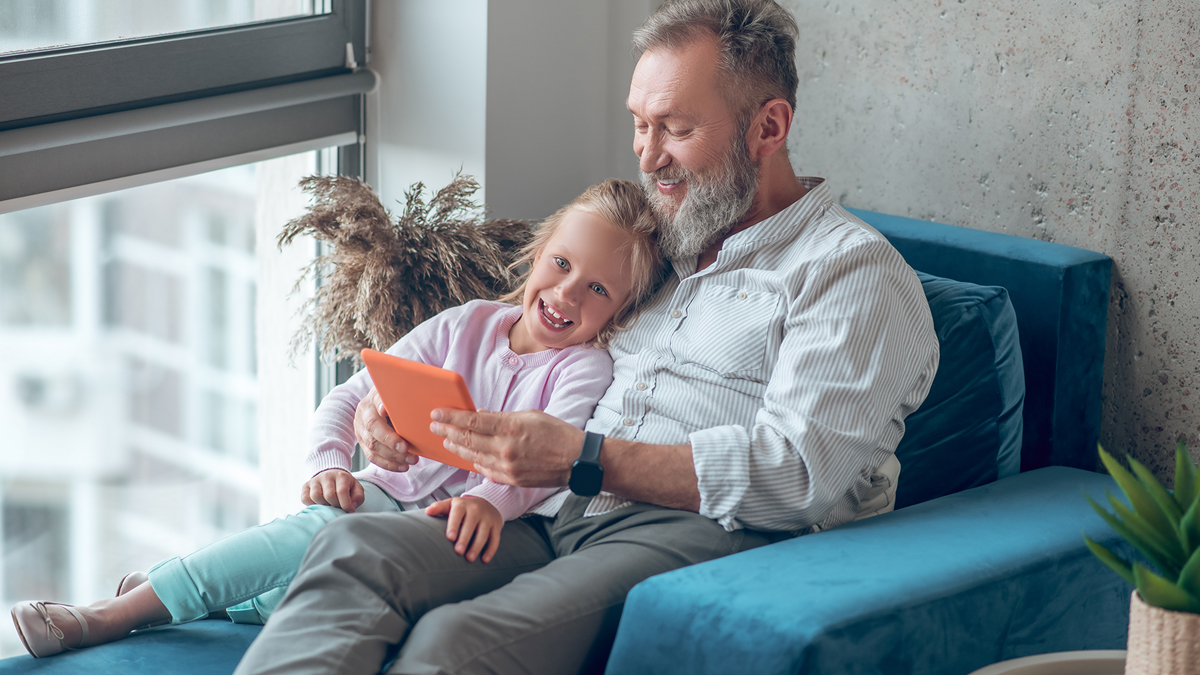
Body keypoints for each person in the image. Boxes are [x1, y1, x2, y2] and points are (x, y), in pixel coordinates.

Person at [234, 1, 942, 674]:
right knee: (354, 547)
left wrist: (585, 457)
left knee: (456, 643)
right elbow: (532, 341)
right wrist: (391, 416)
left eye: (675, 128)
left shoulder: (850, 272)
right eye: (639, 124)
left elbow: (798, 473)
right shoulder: (660, 243)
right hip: (547, 505)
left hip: (694, 531)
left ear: (768, 126)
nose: (648, 156)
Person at [9, 179, 665, 659]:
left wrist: (492, 501)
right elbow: (351, 397)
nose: (567, 293)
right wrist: (329, 460)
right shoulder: (468, 324)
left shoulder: (585, 371)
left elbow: (548, 461)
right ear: (538, 252)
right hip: (383, 493)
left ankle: (165, 593)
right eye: (561, 264)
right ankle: (115, 613)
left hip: (439, 534)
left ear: (620, 312)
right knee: (314, 529)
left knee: (308, 565)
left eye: (598, 290)